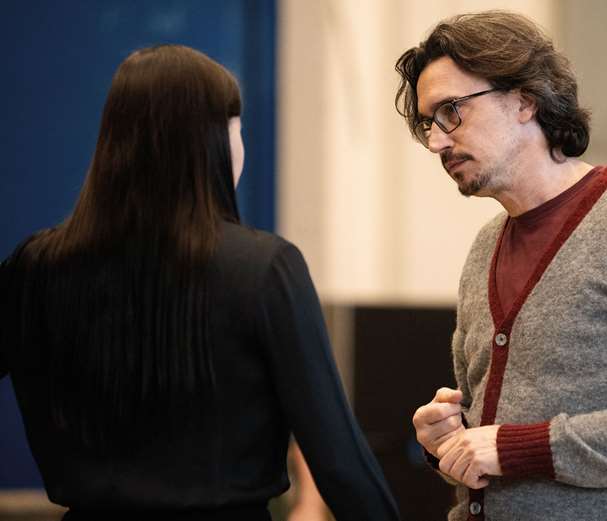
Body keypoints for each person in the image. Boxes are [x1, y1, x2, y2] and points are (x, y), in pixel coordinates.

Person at [0, 44, 399, 521]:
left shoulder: (37, 264)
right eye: (238, 129)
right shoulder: (264, 268)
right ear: (214, 142)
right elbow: (339, 461)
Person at [395, 11, 607, 521]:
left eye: (451, 111)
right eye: (428, 123)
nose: (437, 142)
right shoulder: (485, 246)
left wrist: (520, 448)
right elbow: (486, 447)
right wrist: (448, 442)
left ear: (524, 100)